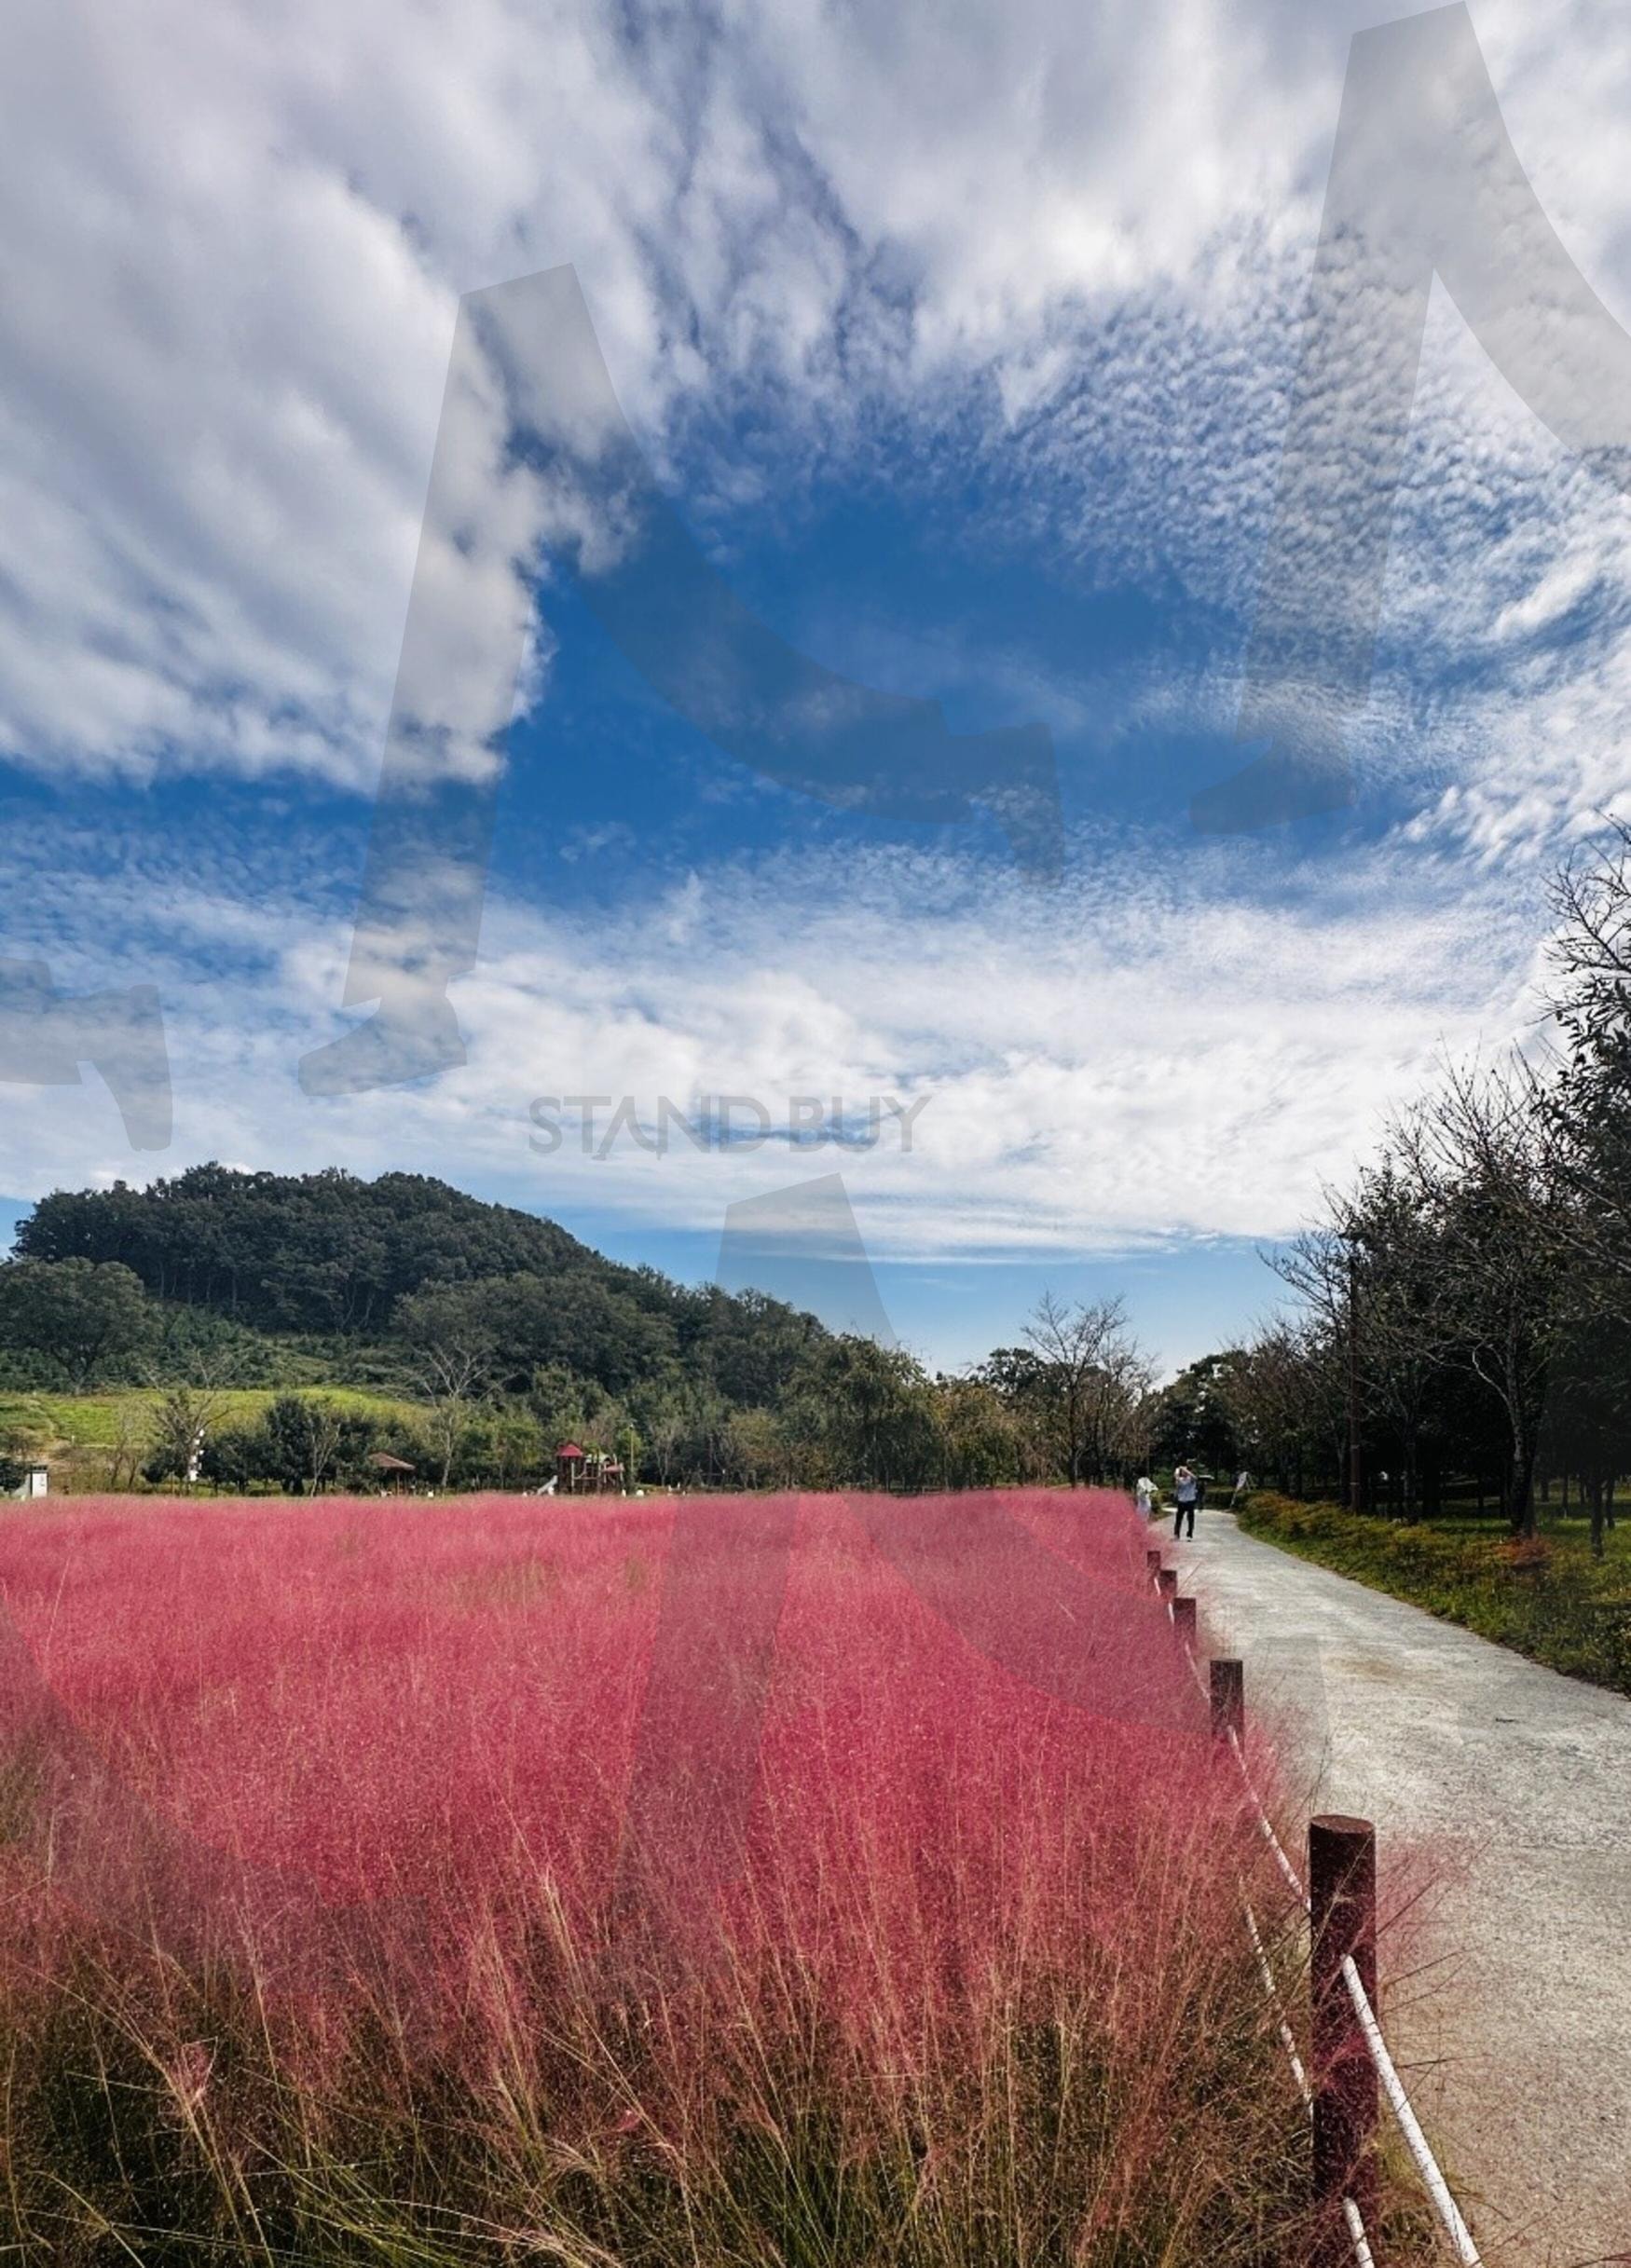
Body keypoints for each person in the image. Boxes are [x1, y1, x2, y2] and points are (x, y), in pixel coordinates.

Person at [1172, 1462, 1200, 1539]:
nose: (1183, 1472)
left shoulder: (1191, 1479)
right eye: (1182, 1472)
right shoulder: (1180, 1480)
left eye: (1184, 1471)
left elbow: (1195, 1478)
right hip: (1181, 1501)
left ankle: (1189, 1534)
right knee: (1178, 1519)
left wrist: (1185, 1469)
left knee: (1190, 1519)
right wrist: (1177, 1472)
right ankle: (1176, 1534)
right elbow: (1177, 1483)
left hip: (1190, 1501)